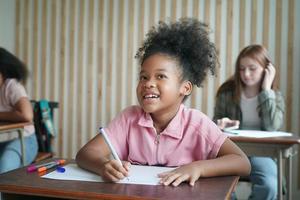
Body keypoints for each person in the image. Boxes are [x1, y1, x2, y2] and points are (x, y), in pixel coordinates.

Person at [76, 18, 251, 186]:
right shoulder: (129, 119)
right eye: (143, 77)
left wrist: (197, 167)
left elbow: (243, 163)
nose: (148, 83)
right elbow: (85, 154)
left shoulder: (197, 124)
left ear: (185, 88)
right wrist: (103, 166)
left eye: (160, 76)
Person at [213, 44, 285, 199]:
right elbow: (213, 127)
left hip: (262, 153)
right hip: (232, 150)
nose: (246, 73)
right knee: (220, 186)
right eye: (242, 68)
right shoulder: (226, 92)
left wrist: (266, 90)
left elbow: (273, 127)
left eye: (252, 68)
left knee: (270, 186)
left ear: (266, 69)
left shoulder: (275, 96)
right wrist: (221, 123)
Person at [0, 47, 38, 173]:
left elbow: (27, 115)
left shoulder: (11, 86)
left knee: (4, 168)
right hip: (2, 139)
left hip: (23, 140)